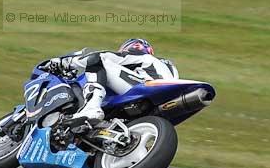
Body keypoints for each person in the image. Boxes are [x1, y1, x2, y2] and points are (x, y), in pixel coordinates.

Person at [42, 38, 179, 125]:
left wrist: (67, 62)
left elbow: (100, 56)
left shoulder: (140, 56)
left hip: (148, 87)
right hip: (165, 101)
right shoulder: (166, 65)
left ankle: (91, 108)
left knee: (98, 62)